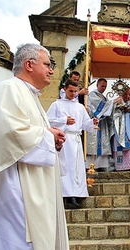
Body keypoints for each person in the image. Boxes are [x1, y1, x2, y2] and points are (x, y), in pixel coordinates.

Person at [0, 43, 69, 249]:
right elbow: (5, 133)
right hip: (13, 190)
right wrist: (46, 136)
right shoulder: (8, 89)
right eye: (47, 64)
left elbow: (27, 134)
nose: (52, 70)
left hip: (31, 187)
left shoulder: (30, 95)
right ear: (29, 65)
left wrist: (52, 140)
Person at [47, 79, 98, 209]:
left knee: (76, 168)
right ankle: (67, 195)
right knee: (67, 167)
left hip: (75, 139)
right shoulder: (56, 105)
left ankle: (77, 192)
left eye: (75, 91)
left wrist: (93, 123)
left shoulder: (80, 107)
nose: (73, 94)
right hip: (64, 139)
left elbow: (85, 123)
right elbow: (48, 121)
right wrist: (64, 120)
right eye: (71, 91)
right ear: (64, 90)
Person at [86, 78, 121, 171]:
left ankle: (102, 165)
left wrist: (115, 107)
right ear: (97, 85)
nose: (104, 88)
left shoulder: (104, 97)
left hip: (103, 124)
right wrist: (113, 102)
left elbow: (108, 110)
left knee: (103, 145)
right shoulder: (92, 95)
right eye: (102, 86)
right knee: (94, 145)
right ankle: (91, 165)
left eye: (105, 86)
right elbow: (99, 107)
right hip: (95, 123)